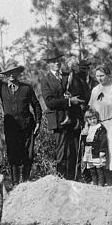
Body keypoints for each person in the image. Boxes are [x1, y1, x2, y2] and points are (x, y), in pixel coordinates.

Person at [0, 57, 42, 185]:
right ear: (6, 75)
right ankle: (15, 184)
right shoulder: (2, 87)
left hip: (27, 127)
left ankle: (25, 183)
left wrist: (38, 122)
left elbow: (36, 105)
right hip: (11, 128)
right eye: (9, 73)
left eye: (14, 72)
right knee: (13, 156)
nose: (12, 75)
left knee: (28, 156)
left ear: (18, 73)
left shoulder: (26, 88)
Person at [38, 50, 85, 179]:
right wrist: (69, 101)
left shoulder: (68, 76)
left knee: (74, 151)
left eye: (58, 61)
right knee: (62, 152)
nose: (57, 63)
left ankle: (74, 179)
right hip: (58, 121)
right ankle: (61, 180)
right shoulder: (46, 80)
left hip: (73, 120)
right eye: (53, 62)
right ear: (48, 64)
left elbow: (79, 92)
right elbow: (50, 103)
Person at [80, 108, 109, 185]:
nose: (93, 121)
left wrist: (102, 150)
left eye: (94, 118)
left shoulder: (100, 128)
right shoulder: (88, 129)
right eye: (90, 119)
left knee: (99, 170)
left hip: (96, 152)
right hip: (89, 152)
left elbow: (103, 140)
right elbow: (85, 141)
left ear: (97, 118)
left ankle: (101, 185)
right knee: (92, 170)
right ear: (87, 120)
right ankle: (95, 184)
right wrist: (84, 134)